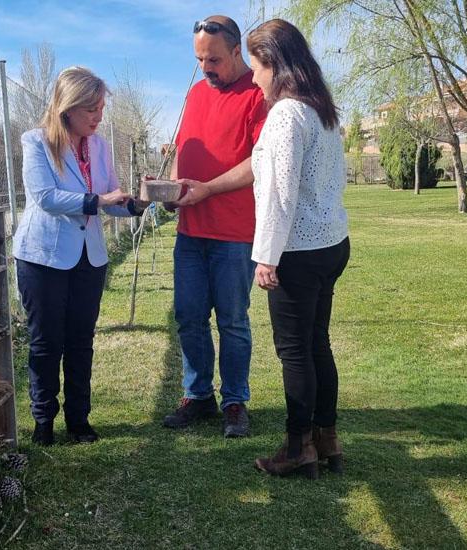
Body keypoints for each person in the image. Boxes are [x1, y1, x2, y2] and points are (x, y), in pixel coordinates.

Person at [13, 67, 144, 445]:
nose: (99, 117)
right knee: (45, 341)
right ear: (68, 107)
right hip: (43, 257)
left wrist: (136, 204)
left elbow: (107, 197)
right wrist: (98, 200)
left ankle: (79, 420)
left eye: (101, 109)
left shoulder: (99, 146)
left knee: (80, 340)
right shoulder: (36, 142)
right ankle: (43, 422)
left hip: (89, 258)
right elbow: (46, 197)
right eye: (92, 109)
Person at [245, 19, 351, 478]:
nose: (253, 77)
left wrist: (266, 254)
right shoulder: (321, 109)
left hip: (299, 250)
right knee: (316, 343)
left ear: (274, 63)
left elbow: (280, 193)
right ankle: (326, 438)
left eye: (256, 67)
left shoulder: (287, 114)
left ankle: (297, 446)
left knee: (294, 350)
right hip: (330, 243)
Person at [159, 15, 267, 438]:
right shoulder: (195, 94)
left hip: (234, 233)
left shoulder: (257, 95)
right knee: (188, 317)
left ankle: (235, 401)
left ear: (237, 51)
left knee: (233, 321)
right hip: (190, 230)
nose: (206, 67)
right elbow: (186, 151)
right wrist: (169, 191)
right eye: (200, 59)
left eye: (214, 59)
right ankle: (198, 396)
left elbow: (260, 162)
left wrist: (208, 189)